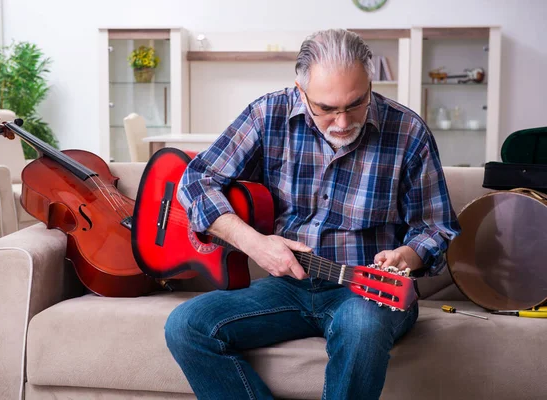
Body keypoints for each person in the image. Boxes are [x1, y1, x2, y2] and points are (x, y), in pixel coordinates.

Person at [165, 29, 461, 400]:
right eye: (326, 109)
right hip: (287, 285)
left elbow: (436, 227)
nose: (342, 122)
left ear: (371, 83)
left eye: (355, 104)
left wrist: (408, 255)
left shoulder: (408, 131)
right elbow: (196, 181)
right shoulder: (267, 114)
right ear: (300, 91)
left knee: (361, 325)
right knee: (186, 325)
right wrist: (254, 243)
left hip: (368, 292)